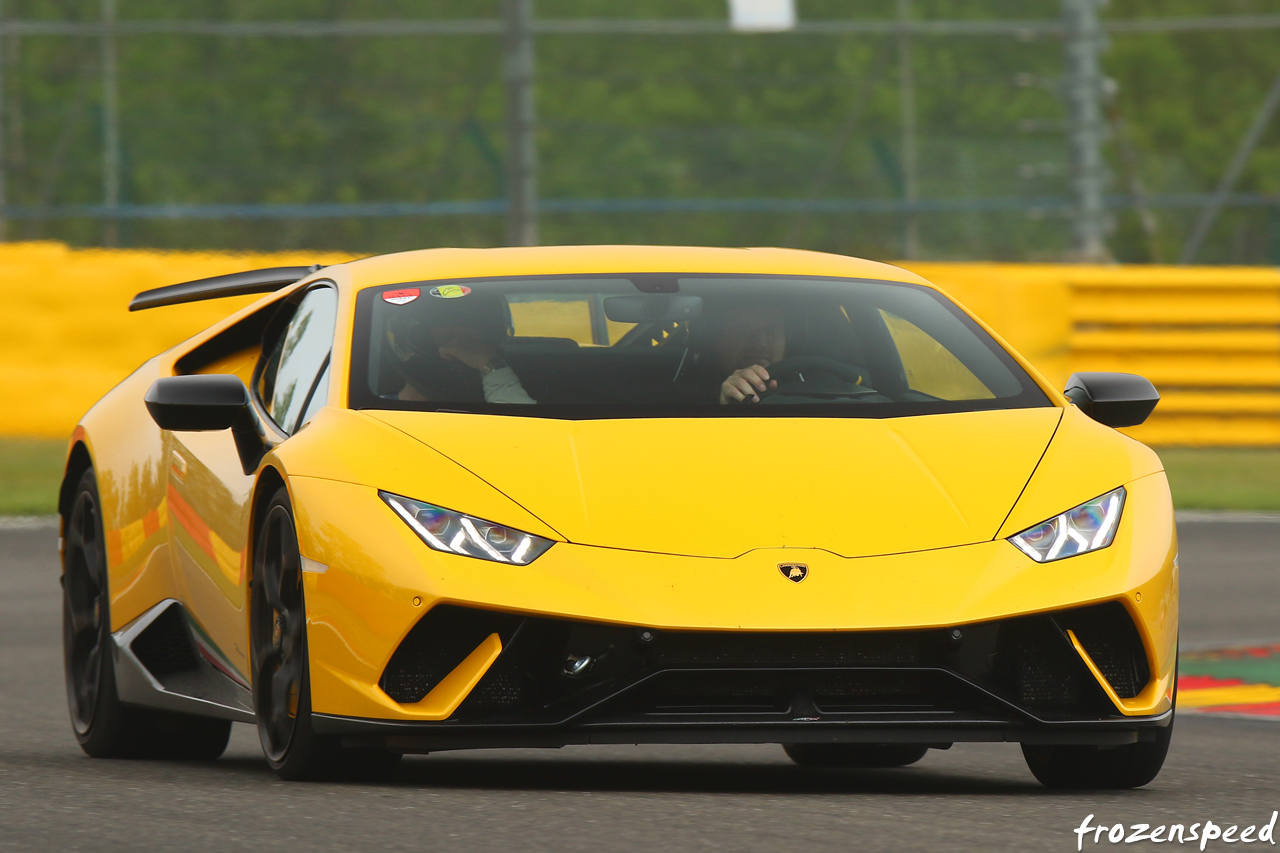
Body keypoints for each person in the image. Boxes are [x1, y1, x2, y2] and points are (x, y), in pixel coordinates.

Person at [386, 307, 535, 405]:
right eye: (446, 339)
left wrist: (491, 365)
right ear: (423, 345)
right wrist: (496, 370)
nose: (458, 349)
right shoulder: (375, 413)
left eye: (469, 341)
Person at [714, 303, 786, 405]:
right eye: (742, 329)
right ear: (718, 342)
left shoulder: (810, 387)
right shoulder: (690, 401)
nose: (760, 343)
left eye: (771, 330)